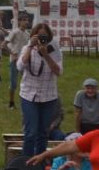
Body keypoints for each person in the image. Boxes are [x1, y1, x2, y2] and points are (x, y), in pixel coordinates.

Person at [17, 21, 65, 159]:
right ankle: (26, 161)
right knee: (31, 131)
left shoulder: (54, 49)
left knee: (43, 132)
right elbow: (20, 66)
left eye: (45, 36)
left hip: (48, 96)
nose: (42, 39)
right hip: (28, 94)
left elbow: (59, 72)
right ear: (33, 35)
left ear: (49, 37)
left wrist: (46, 55)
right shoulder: (28, 47)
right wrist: (30, 46)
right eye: (39, 36)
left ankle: (39, 160)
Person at [6, 16, 30, 109]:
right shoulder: (15, 32)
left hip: (24, 61)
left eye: (27, 20)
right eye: (24, 20)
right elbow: (4, 44)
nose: (26, 22)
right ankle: (11, 103)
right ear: (19, 22)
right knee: (13, 83)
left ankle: (26, 102)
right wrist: (12, 53)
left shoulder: (27, 34)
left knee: (26, 82)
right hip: (14, 61)